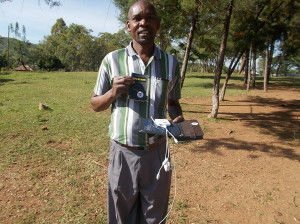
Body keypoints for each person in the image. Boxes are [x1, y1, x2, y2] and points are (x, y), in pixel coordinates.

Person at [91, 1, 184, 223]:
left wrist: (178, 119)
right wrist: (113, 92)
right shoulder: (112, 60)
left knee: (154, 214)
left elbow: (173, 102)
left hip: (158, 152)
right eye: (137, 18)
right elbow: (95, 104)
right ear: (128, 25)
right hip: (123, 152)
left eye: (150, 18)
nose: (144, 23)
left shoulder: (171, 63)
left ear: (158, 24)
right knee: (121, 213)